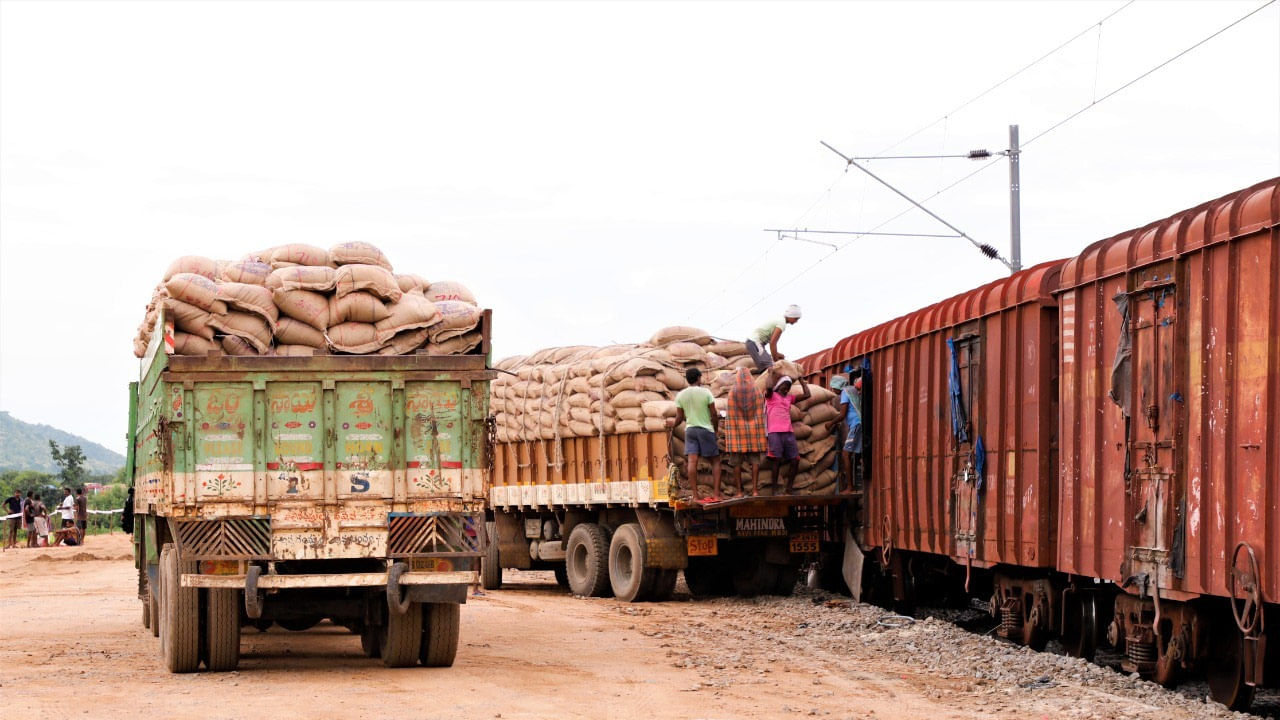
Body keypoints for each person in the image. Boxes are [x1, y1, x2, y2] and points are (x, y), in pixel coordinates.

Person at [667, 367, 722, 501]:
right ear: (699, 378)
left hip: (690, 430)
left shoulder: (681, 395)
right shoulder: (706, 393)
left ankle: (696, 496)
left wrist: (672, 425)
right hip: (705, 429)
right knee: (715, 461)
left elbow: (679, 418)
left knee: (692, 461)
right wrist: (715, 429)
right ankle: (716, 494)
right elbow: (714, 414)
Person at [722, 367, 767, 496]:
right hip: (754, 434)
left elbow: (730, 414)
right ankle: (754, 490)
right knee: (755, 462)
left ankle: (739, 491)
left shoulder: (733, 392)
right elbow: (760, 412)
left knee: (736, 463)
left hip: (737, 435)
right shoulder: (757, 391)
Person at [762, 375, 810, 495]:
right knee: (776, 460)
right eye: (785, 386)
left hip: (788, 432)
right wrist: (771, 373)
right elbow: (768, 386)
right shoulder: (771, 396)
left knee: (795, 460)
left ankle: (789, 488)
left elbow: (807, 395)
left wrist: (801, 381)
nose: (786, 389)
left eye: (788, 387)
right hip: (774, 433)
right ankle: (774, 489)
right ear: (778, 386)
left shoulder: (789, 398)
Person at [745, 305, 802, 372]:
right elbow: (772, 343)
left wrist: (778, 355)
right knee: (771, 368)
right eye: (796, 319)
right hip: (755, 342)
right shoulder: (782, 323)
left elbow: (772, 344)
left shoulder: (780, 320)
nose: (796, 321)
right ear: (791, 316)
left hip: (756, 344)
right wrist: (776, 361)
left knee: (768, 366)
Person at [834, 375, 863, 493]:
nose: (832, 391)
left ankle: (850, 487)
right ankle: (851, 485)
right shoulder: (851, 389)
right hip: (857, 424)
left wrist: (830, 423)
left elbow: (842, 414)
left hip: (856, 425)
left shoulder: (845, 393)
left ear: (837, 386)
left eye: (833, 387)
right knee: (850, 455)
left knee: (845, 455)